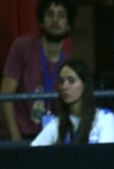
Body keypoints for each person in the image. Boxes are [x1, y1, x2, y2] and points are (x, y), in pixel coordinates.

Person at [1, 0, 76, 141]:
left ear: (68, 26)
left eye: (61, 15)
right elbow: (6, 95)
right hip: (21, 137)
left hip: (52, 139)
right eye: (49, 15)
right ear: (41, 22)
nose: (55, 20)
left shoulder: (69, 64)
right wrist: (16, 139)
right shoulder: (22, 47)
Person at [30, 58, 114, 146]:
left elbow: (107, 157)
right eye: (61, 82)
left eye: (71, 81)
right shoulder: (56, 124)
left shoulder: (105, 118)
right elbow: (33, 151)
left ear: (85, 84)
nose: (64, 87)